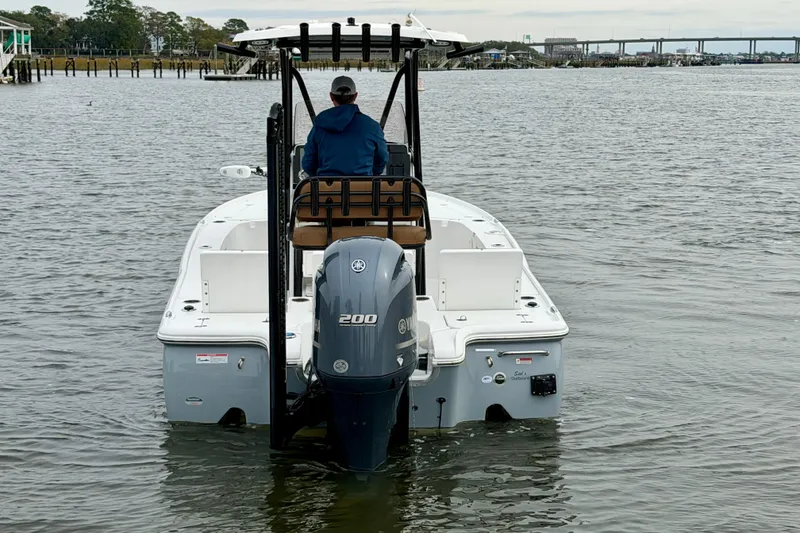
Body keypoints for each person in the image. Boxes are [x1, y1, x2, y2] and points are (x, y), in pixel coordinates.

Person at [301, 76, 389, 177]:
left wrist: (320, 178)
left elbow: (308, 164)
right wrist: (371, 174)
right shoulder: (373, 127)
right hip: (364, 189)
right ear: (355, 96)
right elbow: (382, 159)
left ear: (331, 96)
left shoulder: (319, 125)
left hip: (325, 190)